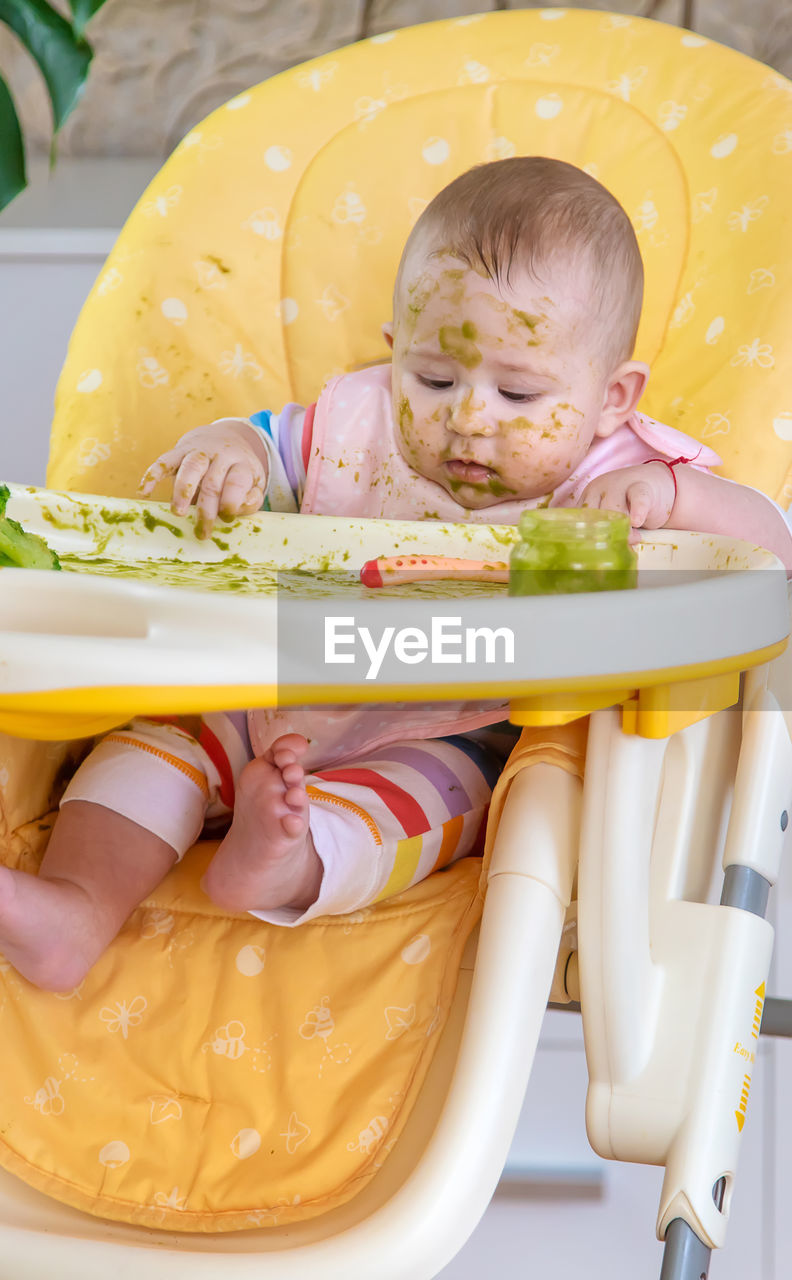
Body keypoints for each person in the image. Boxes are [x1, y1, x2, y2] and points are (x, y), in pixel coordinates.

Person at [2, 157, 790, 992]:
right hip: (261, 694)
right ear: (394, 354)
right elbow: (268, 448)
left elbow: (769, 548)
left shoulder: (619, 474)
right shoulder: (358, 422)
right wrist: (230, 449)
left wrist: (677, 494)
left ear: (613, 398)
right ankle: (75, 911)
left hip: (446, 727)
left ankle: (288, 860)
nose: (468, 419)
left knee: (422, 809)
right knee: (147, 750)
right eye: (435, 378)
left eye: (520, 394)